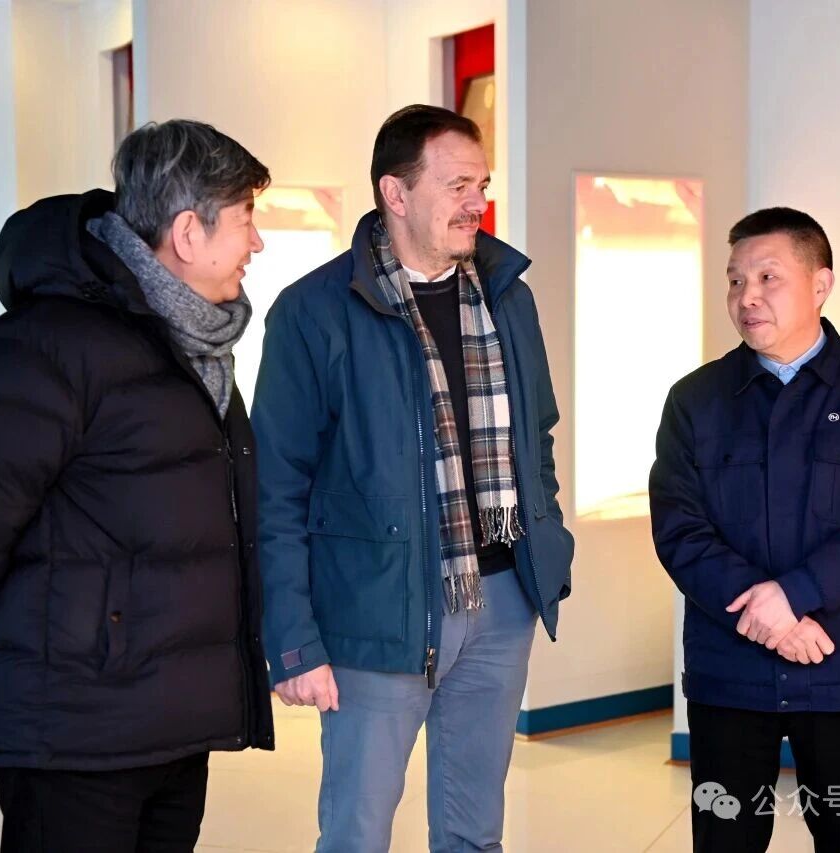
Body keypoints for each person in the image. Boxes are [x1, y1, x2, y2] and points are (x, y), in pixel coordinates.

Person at [0, 119, 274, 852]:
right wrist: (9, 684)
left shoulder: (196, 351)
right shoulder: (37, 352)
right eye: (245, 219)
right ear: (188, 233)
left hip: (174, 723)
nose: (257, 242)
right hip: (70, 734)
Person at [252, 104, 574, 852]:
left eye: (482, 184)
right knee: (357, 834)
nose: (476, 202)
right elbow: (277, 489)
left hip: (501, 599)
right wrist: (293, 639)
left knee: (474, 833)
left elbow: (537, 434)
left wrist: (546, 541)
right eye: (457, 185)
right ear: (394, 193)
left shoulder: (508, 295)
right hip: (377, 607)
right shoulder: (313, 312)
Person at [649, 207, 840, 852]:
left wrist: (796, 594)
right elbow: (679, 528)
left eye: (768, 277)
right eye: (735, 280)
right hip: (731, 669)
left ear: (821, 284)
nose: (746, 297)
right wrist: (771, 616)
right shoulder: (695, 400)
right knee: (725, 840)